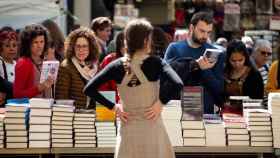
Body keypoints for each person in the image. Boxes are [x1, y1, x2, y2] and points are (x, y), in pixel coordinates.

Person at [84, 19, 183, 158]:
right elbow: (178, 83)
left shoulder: (116, 65)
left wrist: (114, 107)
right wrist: (161, 103)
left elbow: (89, 89)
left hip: (128, 132)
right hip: (153, 130)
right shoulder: (156, 62)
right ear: (145, 41)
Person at [164, 11, 225, 114]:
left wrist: (205, 70)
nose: (205, 36)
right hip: (178, 110)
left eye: (208, 32)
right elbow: (166, 81)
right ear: (192, 28)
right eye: (202, 31)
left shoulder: (215, 53)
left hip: (206, 112)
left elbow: (219, 89)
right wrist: (195, 66)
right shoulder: (174, 48)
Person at [55, 27, 100, 109]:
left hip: (92, 116)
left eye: (85, 46)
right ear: (72, 48)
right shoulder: (65, 67)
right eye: (78, 46)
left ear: (91, 48)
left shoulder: (95, 67)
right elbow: (61, 99)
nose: (81, 50)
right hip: (74, 118)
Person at [13, 24, 54, 99]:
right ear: (28, 44)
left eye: (42, 41)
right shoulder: (23, 63)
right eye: (35, 42)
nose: (39, 46)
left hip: (47, 108)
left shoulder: (45, 61)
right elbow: (17, 94)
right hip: (30, 109)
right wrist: (38, 88)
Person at [99, 31, 125, 103]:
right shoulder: (109, 60)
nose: (126, 48)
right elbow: (102, 87)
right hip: (112, 108)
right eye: (123, 45)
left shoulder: (142, 62)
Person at [0, 26, 18, 105]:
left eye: (14, 45)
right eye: (7, 46)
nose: (11, 49)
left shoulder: (17, 64)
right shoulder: (0, 62)